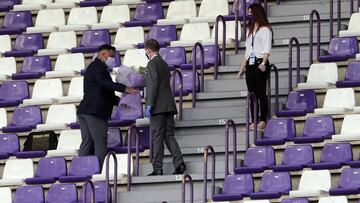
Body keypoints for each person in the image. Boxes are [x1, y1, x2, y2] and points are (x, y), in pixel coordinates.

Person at [77, 44, 138, 167]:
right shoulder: (98, 67)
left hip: (85, 111)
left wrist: (123, 102)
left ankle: (81, 169)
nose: (113, 60)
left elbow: (105, 92)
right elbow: (104, 83)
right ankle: (99, 171)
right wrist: (124, 88)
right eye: (111, 56)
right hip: (95, 112)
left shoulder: (95, 67)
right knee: (100, 143)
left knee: (87, 143)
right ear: (103, 54)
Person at [144, 39, 186, 176]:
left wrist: (149, 104)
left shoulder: (151, 64)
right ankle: (179, 163)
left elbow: (153, 85)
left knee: (157, 137)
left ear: (148, 50)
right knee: (169, 135)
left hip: (158, 107)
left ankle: (157, 168)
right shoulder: (163, 63)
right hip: (168, 105)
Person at [237, 3, 274, 130]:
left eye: (251, 12)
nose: (249, 14)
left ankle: (263, 119)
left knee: (260, 92)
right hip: (251, 63)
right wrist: (242, 69)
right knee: (252, 93)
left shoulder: (265, 29)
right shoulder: (250, 29)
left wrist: (264, 63)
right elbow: (247, 51)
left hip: (259, 62)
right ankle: (254, 120)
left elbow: (266, 48)